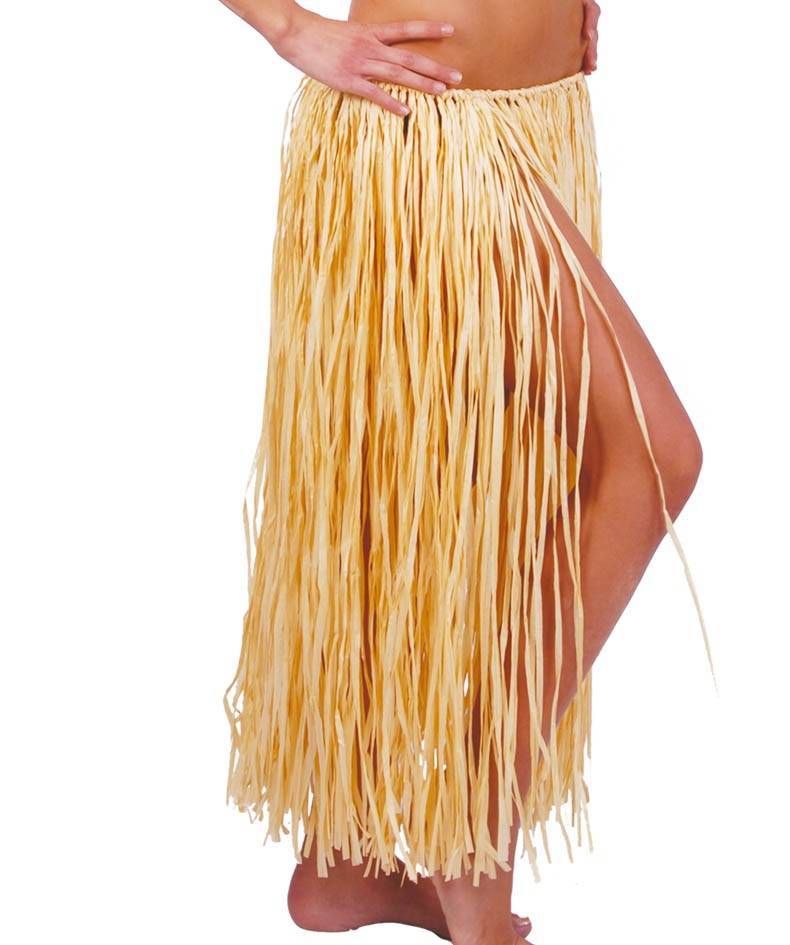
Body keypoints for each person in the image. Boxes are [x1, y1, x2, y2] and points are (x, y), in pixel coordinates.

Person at [220, 3, 711, 944]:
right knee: (654, 457)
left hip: (535, 125)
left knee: (436, 491)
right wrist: (287, 26)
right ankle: (475, 835)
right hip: (432, 133)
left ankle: (343, 864)